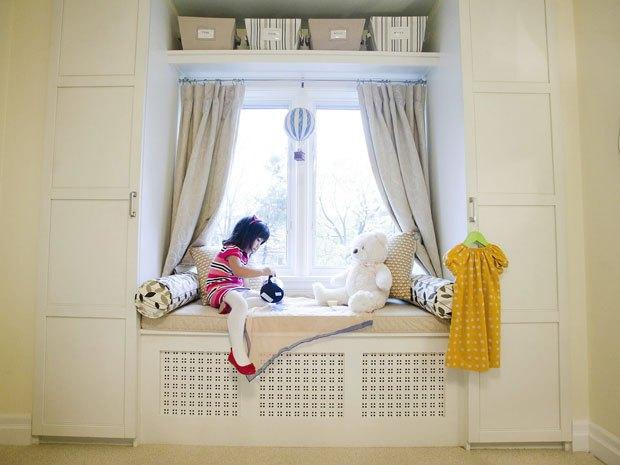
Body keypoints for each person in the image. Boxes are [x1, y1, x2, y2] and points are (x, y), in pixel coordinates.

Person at [205, 215, 275, 375]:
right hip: (218, 287)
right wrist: (263, 271)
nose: (258, 246)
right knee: (241, 304)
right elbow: (239, 271)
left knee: (265, 300)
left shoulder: (243, 254)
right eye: (258, 240)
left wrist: (251, 292)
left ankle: (229, 306)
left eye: (261, 243)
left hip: (234, 289)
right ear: (247, 234)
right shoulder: (232, 249)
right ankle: (237, 353)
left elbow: (243, 281)